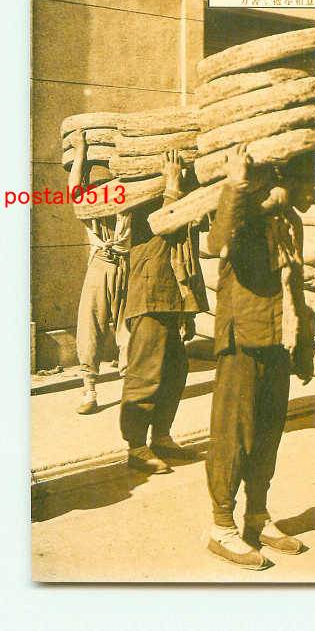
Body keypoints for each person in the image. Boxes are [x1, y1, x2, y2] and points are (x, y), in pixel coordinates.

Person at [205, 144, 315, 570]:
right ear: (291, 179)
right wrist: (235, 183)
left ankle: (256, 517)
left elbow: (294, 287)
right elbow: (216, 241)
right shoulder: (249, 211)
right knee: (233, 435)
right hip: (243, 338)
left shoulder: (291, 221)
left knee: (267, 435)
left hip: (278, 341)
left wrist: (304, 347)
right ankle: (222, 527)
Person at [120, 150, 209, 473]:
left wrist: (189, 308)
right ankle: (136, 446)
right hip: (150, 293)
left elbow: (188, 242)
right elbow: (165, 225)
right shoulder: (142, 197)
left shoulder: (180, 196)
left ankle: (161, 436)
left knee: (174, 370)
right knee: (146, 372)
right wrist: (171, 184)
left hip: (173, 295)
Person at [69, 130, 131, 415]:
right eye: (98, 186)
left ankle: (130, 388)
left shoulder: (128, 202)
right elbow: (74, 187)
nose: (103, 190)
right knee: (89, 324)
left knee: (128, 328)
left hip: (127, 264)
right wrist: (80, 151)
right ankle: (89, 389)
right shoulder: (88, 206)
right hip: (100, 265)